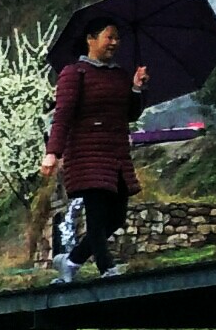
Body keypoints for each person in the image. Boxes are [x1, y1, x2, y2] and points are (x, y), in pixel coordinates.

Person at [45, 18, 150, 281]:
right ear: (91, 39)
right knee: (96, 216)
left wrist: (137, 86)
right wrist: (53, 152)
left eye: (117, 38)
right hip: (86, 154)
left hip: (115, 155)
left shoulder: (119, 75)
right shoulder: (74, 73)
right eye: (109, 37)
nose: (115, 43)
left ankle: (71, 260)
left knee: (116, 217)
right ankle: (107, 268)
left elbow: (130, 114)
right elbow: (63, 115)